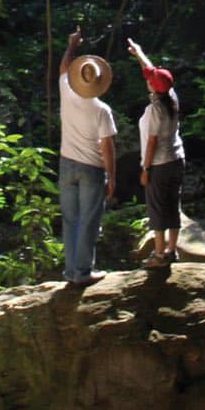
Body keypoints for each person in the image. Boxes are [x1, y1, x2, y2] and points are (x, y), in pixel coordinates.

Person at [57, 28, 116, 287]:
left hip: (66, 164)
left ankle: (71, 271)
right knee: (89, 221)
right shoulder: (102, 110)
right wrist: (112, 176)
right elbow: (107, 147)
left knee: (70, 220)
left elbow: (63, 69)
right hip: (92, 168)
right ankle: (82, 272)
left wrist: (72, 45)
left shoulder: (66, 92)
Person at [127, 36, 185, 267]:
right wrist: (139, 52)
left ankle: (159, 255)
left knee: (158, 208)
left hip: (159, 165)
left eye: (150, 80)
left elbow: (151, 143)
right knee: (173, 204)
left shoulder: (154, 111)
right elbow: (153, 73)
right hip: (177, 160)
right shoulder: (172, 97)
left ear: (152, 86)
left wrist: (145, 169)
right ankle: (172, 250)